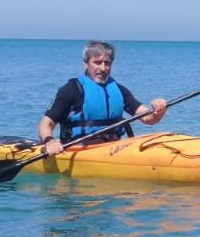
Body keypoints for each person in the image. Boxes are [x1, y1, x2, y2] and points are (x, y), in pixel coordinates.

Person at [39, 40, 168, 155]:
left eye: (107, 63)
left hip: (113, 149)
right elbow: (46, 125)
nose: (103, 68)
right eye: (97, 63)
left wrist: (159, 110)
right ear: (86, 64)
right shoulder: (71, 90)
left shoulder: (119, 90)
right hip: (80, 150)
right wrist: (49, 142)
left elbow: (147, 118)